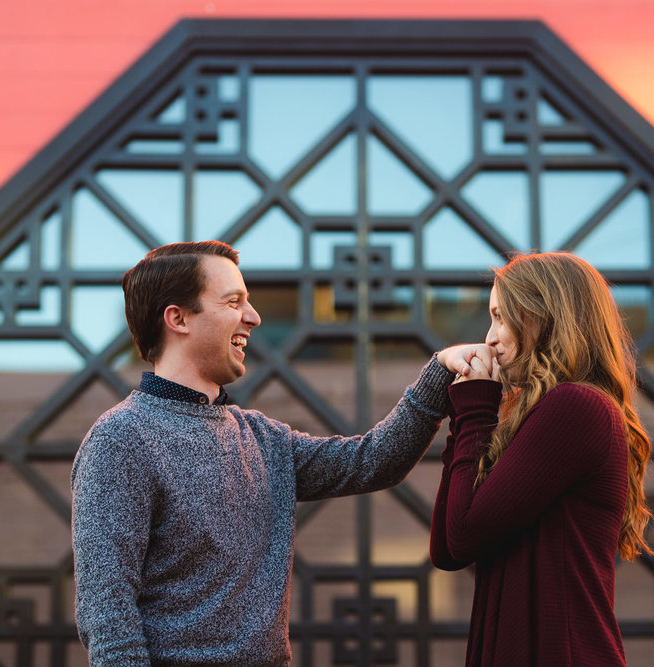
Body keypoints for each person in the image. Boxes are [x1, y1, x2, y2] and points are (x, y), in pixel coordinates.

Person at [71, 240, 474, 666]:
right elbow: (108, 617)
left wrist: (442, 371)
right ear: (178, 318)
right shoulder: (120, 440)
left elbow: (373, 461)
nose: (254, 316)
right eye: (233, 301)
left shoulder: (262, 438)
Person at [430, 252, 653, 667]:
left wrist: (475, 409)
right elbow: (446, 551)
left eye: (501, 316)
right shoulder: (535, 416)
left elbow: (461, 535)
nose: (490, 338)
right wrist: (464, 417)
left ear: (544, 316)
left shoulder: (576, 406)